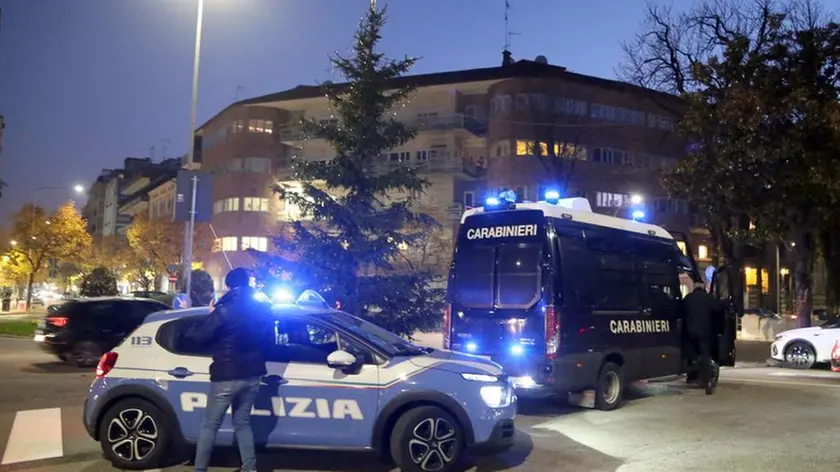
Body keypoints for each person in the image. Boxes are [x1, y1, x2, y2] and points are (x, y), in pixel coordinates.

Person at [186, 267, 275, 472]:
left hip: (226, 374)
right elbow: (270, 340)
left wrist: (210, 315)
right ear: (248, 283)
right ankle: (249, 468)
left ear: (229, 285)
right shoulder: (262, 309)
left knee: (210, 425)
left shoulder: (224, 309)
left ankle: (200, 470)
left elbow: (200, 337)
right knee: (242, 423)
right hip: (253, 373)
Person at [683, 280, 722, 395]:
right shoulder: (708, 298)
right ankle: (707, 382)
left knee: (692, 355)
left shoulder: (688, 298)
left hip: (690, 332)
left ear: (694, 287)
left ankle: (691, 376)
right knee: (705, 356)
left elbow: (680, 310)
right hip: (704, 333)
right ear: (704, 287)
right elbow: (718, 308)